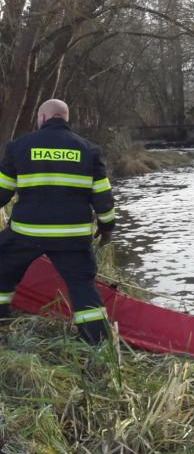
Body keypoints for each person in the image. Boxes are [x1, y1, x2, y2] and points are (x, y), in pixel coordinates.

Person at [0, 99, 116, 343]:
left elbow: (3, 191)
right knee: (83, 287)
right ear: (65, 118)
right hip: (72, 237)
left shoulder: (19, 147)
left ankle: (2, 323)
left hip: (26, 234)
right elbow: (103, 198)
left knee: (3, 274)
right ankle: (97, 344)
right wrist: (107, 229)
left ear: (42, 118)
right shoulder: (89, 150)